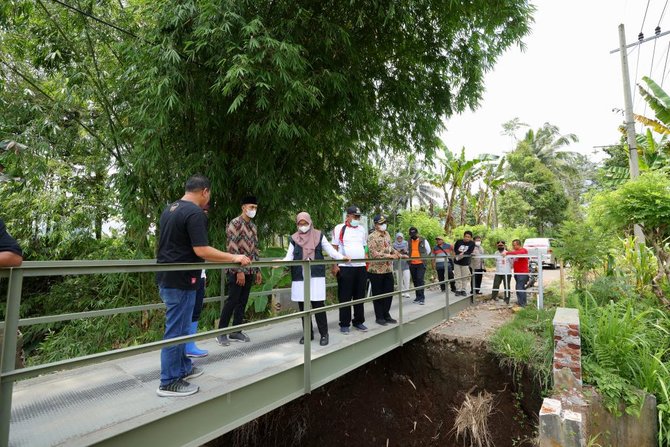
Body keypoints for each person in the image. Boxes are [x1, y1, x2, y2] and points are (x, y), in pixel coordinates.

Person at [156, 175, 251, 397]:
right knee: (176, 331)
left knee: (179, 327)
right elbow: (202, 250)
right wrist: (234, 258)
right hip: (181, 280)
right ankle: (168, 381)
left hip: (169, 276)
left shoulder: (170, 209)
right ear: (205, 191)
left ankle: (182, 369)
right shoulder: (195, 212)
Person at [281, 212, 349, 346]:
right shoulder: (294, 238)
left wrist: (341, 257)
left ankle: (324, 334)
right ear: (297, 224)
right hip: (300, 276)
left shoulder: (319, 235)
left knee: (318, 305)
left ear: (310, 222)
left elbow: (330, 251)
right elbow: (289, 257)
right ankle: (308, 333)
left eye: (305, 223)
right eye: (300, 224)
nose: (303, 226)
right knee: (303, 307)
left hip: (316, 276)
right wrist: (280, 262)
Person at [216, 195, 262, 346]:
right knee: (232, 300)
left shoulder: (254, 227)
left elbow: (255, 250)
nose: (253, 210)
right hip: (237, 270)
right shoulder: (234, 224)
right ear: (243, 207)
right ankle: (221, 332)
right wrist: (239, 270)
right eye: (251, 207)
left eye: (255, 207)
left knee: (242, 301)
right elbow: (232, 247)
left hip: (250, 270)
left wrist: (258, 270)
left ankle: (236, 330)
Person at [331, 205, 369, 333]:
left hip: (361, 267)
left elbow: (365, 246)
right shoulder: (339, 228)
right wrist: (334, 264)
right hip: (345, 267)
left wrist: (366, 257)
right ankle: (344, 324)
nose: (357, 218)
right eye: (355, 216)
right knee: (345, 296)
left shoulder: (362, 229)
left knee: (359, 295)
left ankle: (358, 321)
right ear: (348, 216)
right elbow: (334, 247)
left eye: (358, 216)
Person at [367, 215, 404, 326]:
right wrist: (389, 256)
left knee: (389, 292)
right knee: (378, 294)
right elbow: (374, 254)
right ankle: (379, 317)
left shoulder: (387, 234)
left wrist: (398, 254)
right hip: (376, 270)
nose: (383, 225)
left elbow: (390, 247)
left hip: (388, 269)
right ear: (375, 225)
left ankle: (386, 314)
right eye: (380, 223)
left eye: (384, 223)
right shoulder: (371, 237)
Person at [185, 203, 210, 358]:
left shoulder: (200, 227)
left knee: (196, 311)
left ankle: (190, 345)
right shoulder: (188, 224)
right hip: (188, 276)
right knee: (186, 313)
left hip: (200, 274)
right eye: (203, 211)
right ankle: (185, 348)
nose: (204, 214)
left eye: (207, 211)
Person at [407, 226, 431, 305]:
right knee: (415, 280)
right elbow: (408, 250)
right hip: (412, 263)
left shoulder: (423, 240)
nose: (413, 236)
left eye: (414, 234)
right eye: (411, 235)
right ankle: (417, 297)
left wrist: (423, 258)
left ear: (417, 233)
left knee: (420, 279)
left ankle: (422, 298)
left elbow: (428, 250)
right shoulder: (409, 241)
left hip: (421, 263)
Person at [506, 239, 530, 307]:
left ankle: (523, 304)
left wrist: (507, 253)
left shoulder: (523, 250)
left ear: (519, 244)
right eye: (513, 245)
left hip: (522, 273)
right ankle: (521, 302)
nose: (513, 246)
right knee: (519, 288)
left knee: (519, 287)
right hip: (517, 273)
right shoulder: (516, 252)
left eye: (514, 245)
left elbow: (519, 253)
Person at [453, 231, 476, 296]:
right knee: (457, 276)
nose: (467, 238)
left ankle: (463, 290)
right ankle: (458, 290)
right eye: (466, 236)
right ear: (464, 236)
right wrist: (459, 253)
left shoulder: (472, 243)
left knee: (464, 277)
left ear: (470, 238)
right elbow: (455, 249)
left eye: (468, 237)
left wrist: (464, 253)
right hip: (457, 261)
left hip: (465, 262)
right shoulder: (459, 241)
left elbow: (470, 251)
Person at [393, 233, 411, 298]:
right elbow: (392, 253)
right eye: (398, 238)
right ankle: (402, 292)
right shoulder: (393, 244)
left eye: (400, 238)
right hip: (397, 263)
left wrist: (406, 251)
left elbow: (410, 251)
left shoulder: (406, 243)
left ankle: (407, 292)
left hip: (405, 263)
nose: (399, 239)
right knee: (399, 279)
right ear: (396, 238)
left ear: (402, 238)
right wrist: (397, 252)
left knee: (407, 277)